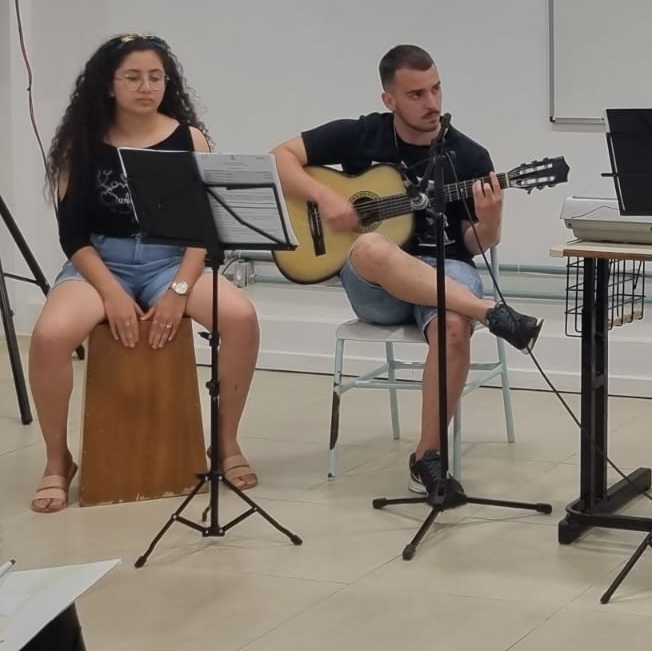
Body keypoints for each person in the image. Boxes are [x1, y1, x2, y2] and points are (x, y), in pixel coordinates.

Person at [272, 44, 542, 500]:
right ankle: (489, 312)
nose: (432, 103)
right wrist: (328, 199)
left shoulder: (468, 156)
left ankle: (428, 458)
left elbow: (475, 244)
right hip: (376, 286)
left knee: (454, 327)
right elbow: (279, 157)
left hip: (446, 269)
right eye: (416, 94)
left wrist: (491, 219)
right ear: (389, 99)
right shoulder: (363, 135)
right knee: (372, 246)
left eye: (436, 89)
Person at [28, 34, 262, 513]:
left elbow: (203, 231)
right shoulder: (81, 143)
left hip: (171, 260)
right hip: (101, 262)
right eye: (133, 77)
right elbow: (73, 235)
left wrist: (179, 290)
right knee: (50, 336)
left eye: (156, 77)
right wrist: (111, 293)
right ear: (108, 85)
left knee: (241, 318)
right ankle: (57, 460)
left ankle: (225, 442)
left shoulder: (188, 138)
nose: (146, 87)